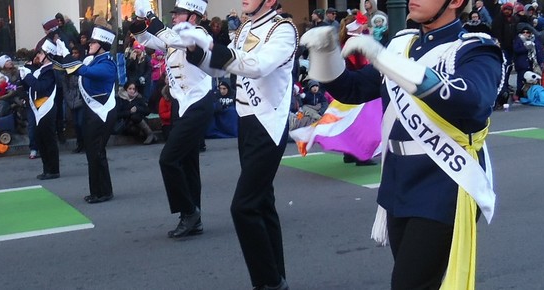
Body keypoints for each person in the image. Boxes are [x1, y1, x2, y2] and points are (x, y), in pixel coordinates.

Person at [300, 0, 504, 287]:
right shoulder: (403, 44)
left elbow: (471, 102)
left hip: (444, 182)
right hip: (398, 179)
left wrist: (386, 61)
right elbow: (352, 88)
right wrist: (325, 52)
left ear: (455, 2)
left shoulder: (476, 49)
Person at [176, 0, 297, 288]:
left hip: (269, 123)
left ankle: (268, 282)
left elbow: (257, 66)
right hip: (246, 121)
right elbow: (220, 71)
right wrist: (196, 50)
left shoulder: (283, 30)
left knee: (243, 207)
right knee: (263, 203)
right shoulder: (245, 27)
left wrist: (211, 47)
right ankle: (276, 277)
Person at [130, 0, 215, 238]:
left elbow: (168, 37)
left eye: (179, 14)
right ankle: (193, 217)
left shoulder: (198, 34)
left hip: (198, 101)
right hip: (181, 102)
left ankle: (189, 212)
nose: (175, 17)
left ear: (194, 17)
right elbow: (147, 39)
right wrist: (138, 20)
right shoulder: (173, 37)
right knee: (188, 162)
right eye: (174, 14)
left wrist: (150, 13)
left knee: (168, 159)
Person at [54, 24, 118, 203]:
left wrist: (67, 55)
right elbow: (66, 68)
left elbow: (83, 71)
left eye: (93, 42)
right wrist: (58, 55)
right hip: (93, 112)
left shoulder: (107, 64)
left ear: (102, 45)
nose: (89, 45)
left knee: (96, 152)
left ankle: (102, 192)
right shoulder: (93, 59)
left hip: (102, 113)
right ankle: (100, 190)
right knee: (94, 152)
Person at [20, 39, 59, 180]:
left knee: (48, 139)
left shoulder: (50, 71)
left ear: (48, 56)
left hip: (46, 108)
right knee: (41, 139)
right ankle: (46, 168)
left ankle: (53, 169)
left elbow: (40, 88)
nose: (38, 56)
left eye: (42, 53)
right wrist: (24, 76)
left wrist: (28, 76)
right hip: (38, 108)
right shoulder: (41, 70)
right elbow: (30, 87)